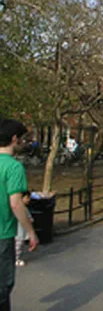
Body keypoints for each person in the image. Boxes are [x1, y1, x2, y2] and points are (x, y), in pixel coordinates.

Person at [0, 119, 38, 311]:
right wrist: (30, 232)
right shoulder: (13, 167)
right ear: (14, 139)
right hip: (3, 233)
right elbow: (15, 204)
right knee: (3, 286)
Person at [15, 191, 33, 267]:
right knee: (18, 246)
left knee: (16, 246)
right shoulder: (23, 209)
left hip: (16, 231)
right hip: (19, 231)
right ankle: (16, 259)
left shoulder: (23, 208)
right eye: (27, 198)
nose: (29, 199)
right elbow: (29, 219)